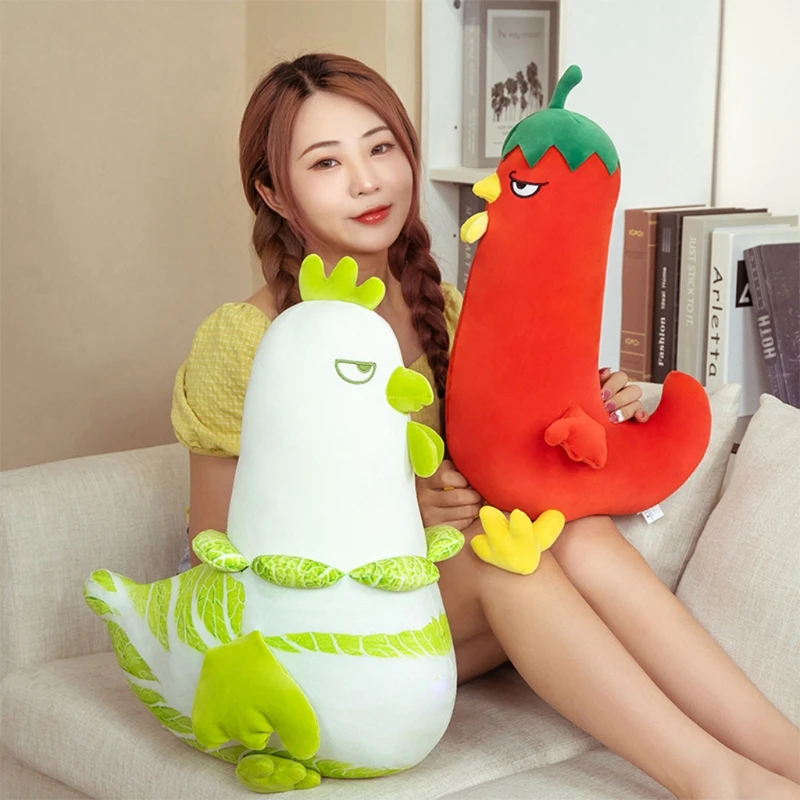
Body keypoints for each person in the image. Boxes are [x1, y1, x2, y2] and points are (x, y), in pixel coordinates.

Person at [170, 53, 800, 799]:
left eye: (381, 147)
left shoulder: (445, 308)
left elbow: (513, 454)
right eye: (326, 163)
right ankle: (718, 782)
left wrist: (595, 409)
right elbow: (218, 550)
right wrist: (400, 510)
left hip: (429, 615)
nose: (367, 181)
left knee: (574, 530)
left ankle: (784, 751)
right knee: (505, 555)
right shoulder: (247, 339)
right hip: (315, 641)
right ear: (274, 193)